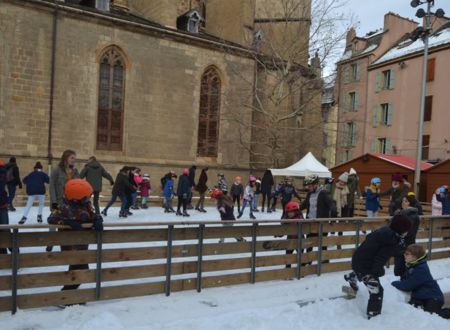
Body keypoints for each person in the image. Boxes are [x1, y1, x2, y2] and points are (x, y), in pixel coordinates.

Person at [344, 213, 412, 319]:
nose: (407, 233)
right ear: (401, 229)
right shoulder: (391, 240)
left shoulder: (386, 231)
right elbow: (380, 258)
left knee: (362, 273)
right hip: (366, 265)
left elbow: (378, 246)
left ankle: (352, 276)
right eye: (406, 230)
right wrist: (378, 271)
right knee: (377, 290)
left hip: (359, 259)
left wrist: (399, 247)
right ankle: (373, 315)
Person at [47, 179, 103, 293]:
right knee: (81, 270)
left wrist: (97, 219)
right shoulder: (63, 206)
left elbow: (93, 214)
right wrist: (67, 222)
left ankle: (66, 296)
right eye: (86, 196)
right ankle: (64, 296)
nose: (88, 198)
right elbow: (51, 219)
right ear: (77, 197)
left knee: (76, 271)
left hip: (82, 244)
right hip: (70, 245)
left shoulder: (86, 205)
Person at [391, 244, 450, 319]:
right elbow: (405, 280)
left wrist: (393, 283)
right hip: (420, 296)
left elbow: (407, 286)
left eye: (407, 254)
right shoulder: (412, 266)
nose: (404, 255)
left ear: (415, 256)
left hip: (433, 297)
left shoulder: (421, 269)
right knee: (413, 312)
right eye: (405, 253)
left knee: (432, 315)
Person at [48, 149, 79, 252]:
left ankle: (67, 247)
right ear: (66, 158)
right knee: (54, 222)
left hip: (71, 203)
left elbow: (78, 185)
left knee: (67, 225)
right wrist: (54, 203)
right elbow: (52, 187)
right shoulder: (56, 170)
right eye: (72, 158)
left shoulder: (75, 171)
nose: (74, 160)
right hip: (59, 202)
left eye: (75, 158)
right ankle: (51, 241)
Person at [300, 174, 336, 257]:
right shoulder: (310, 194)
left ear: (316, 184)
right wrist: (295, 209)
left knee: (322, 245)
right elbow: (305, 204)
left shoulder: (323, 193)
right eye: (308, 186)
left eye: (309, 186)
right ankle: (307, 261)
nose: (308, 188)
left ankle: (324, 261)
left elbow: (332, 205)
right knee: (309, 243)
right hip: (311, 222)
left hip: (321, 224)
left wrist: (332, 220)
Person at [393, 195, 421, 277]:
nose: (403, 203)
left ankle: (406, 281)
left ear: (410, 203)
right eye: (403, 201)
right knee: (400, 267)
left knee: (405, 266)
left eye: (405, 201)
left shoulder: (412, 215)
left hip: (407, 244)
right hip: (401, 244)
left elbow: (407, 231)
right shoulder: (402, 213)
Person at [282, 201, 303, 268]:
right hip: (290, 239)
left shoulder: (299, 218)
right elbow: (284, 229)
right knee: (288, 254)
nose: (290, 214)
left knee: (300, 255)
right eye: (288, 212)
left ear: (296, 211)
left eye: (291, 212)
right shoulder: (286, 219)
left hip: (299, 239)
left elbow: (303, 225)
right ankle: (288, 269)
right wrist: (280, 234)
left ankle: (300, 269)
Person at [0, 161, 10, 254]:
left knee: (5, 230)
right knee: (5, 230)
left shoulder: (2, 172)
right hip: (2, 204)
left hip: (2, 204)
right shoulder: (4, 171)